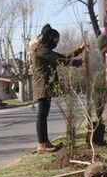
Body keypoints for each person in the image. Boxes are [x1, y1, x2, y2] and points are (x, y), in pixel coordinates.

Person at [30, 24, 84, 153]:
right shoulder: (42, 50)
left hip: (45, 86)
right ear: (49, 38)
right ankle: (42, 144)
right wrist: (76, 62)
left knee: (43, 115)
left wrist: (77, 51)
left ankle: (45, 142)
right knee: (42, 116)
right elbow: (60, 60)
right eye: (56, 40)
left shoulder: (44, 49)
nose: (56, 43)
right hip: (43, 86)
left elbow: (62, 57)